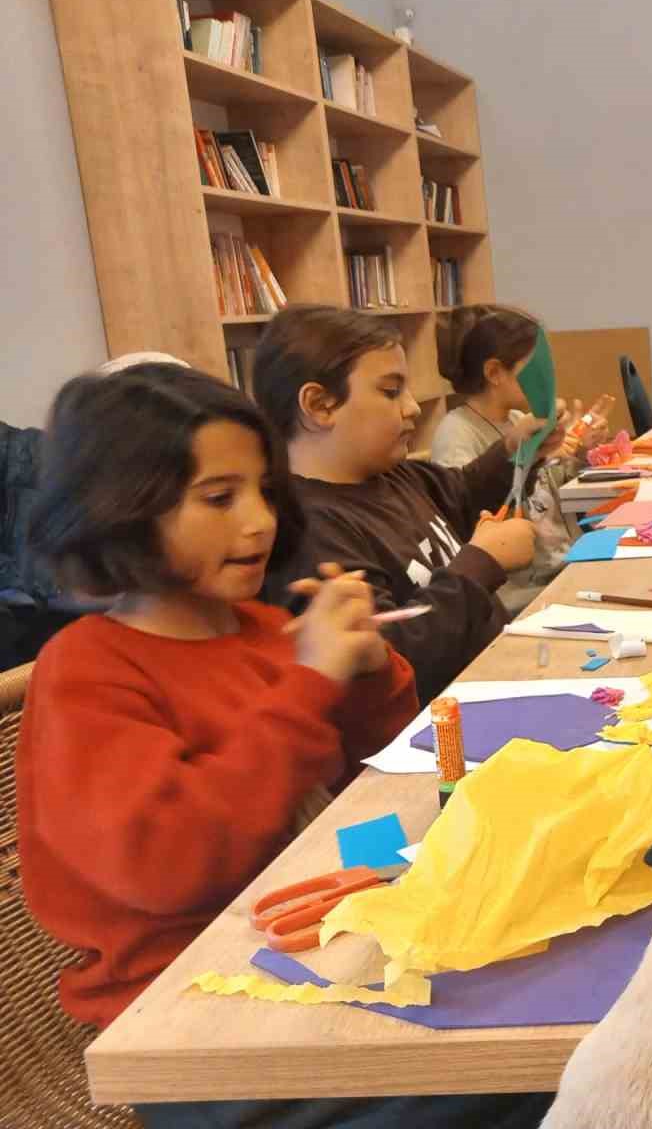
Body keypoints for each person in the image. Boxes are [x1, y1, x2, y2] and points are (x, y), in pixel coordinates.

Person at [18, 364, 539, 1126]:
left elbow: (376, 780)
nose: (260, 521)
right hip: (194, 1022)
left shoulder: (266, 632)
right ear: (118, 508)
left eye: (265, 490)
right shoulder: (87, 671)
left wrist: (364, 674)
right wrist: (308, 683)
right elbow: (169, 864)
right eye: (219, 498)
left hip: (328, 949)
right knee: (527, 1074)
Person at [255, 305, 546, 704]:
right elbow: (395, 655)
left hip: (496, 680)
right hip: (440, 733)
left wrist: (518, 448)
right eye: (391, 391)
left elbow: (465, 491)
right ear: (320, 405)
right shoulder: (309, 532)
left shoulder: (394, 475)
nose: (411, 406)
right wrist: (481, 563)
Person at [428, 305, 608, 614]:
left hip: (561, 569)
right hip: (521, 594)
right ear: (495, 372)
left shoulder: (516, 419)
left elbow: (549, 493)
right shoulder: (457, 434)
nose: (548, 377)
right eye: (535, 367)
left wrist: (578, 454)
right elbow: (464, 519)